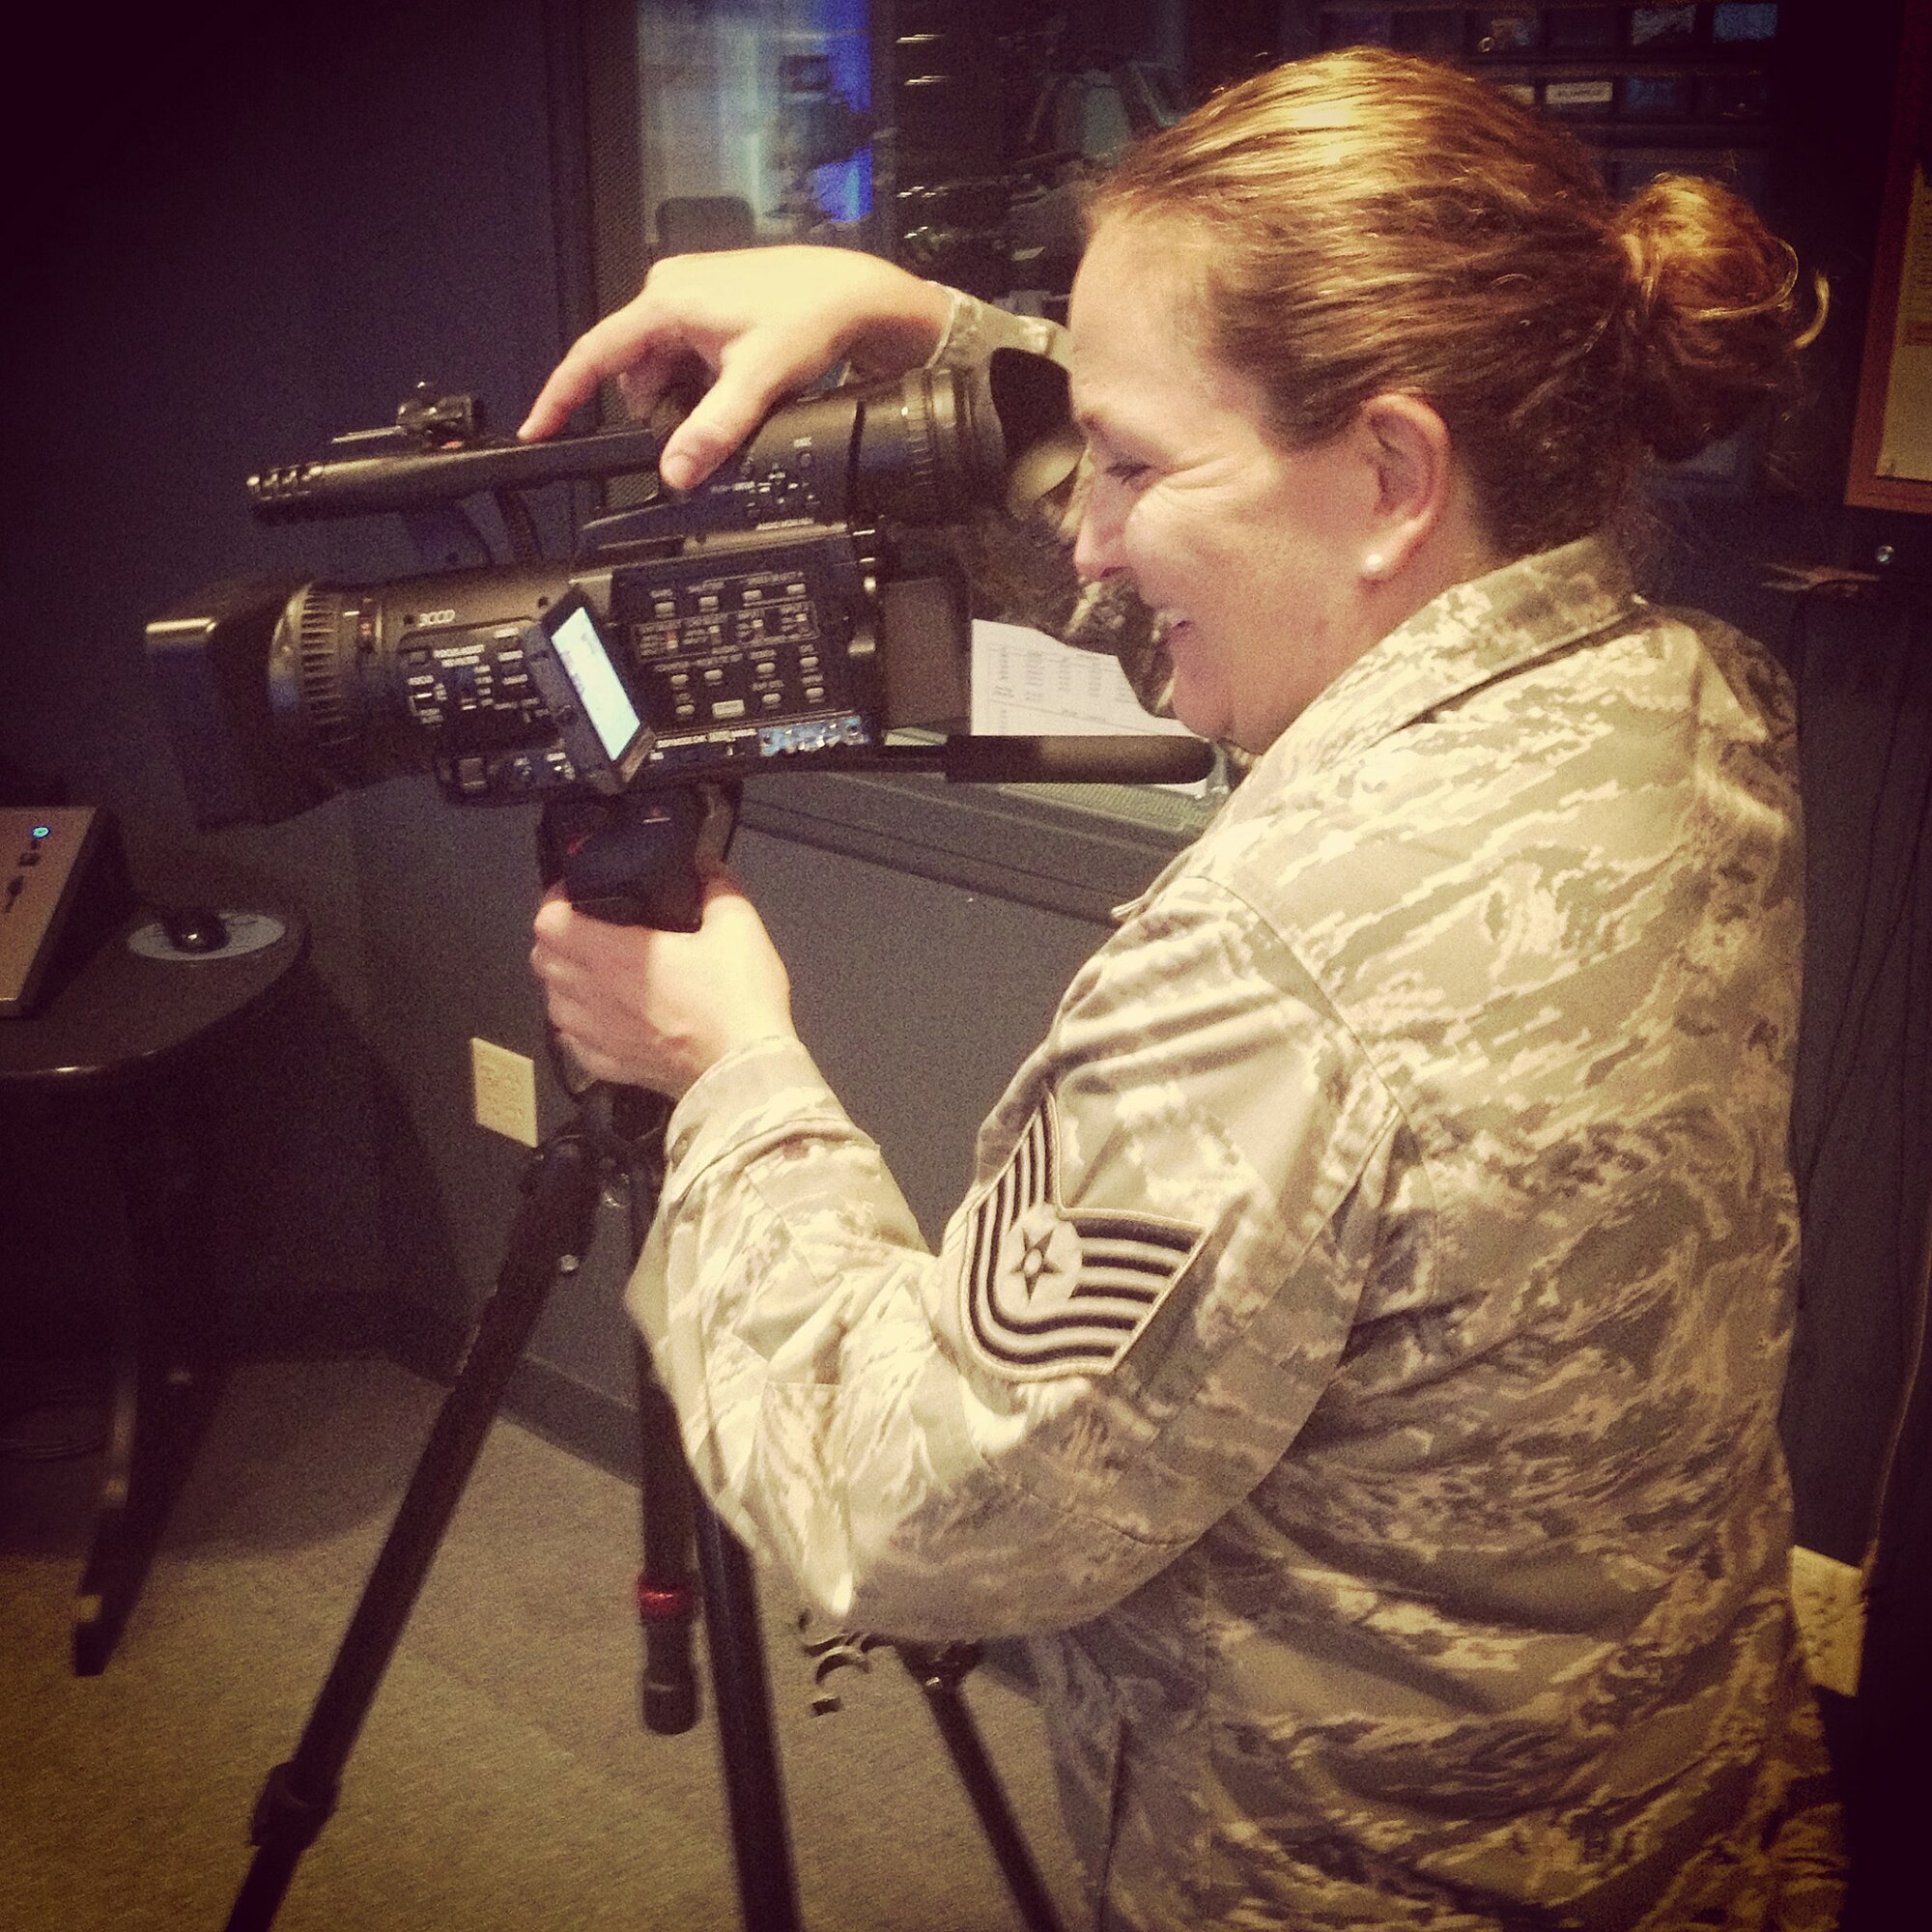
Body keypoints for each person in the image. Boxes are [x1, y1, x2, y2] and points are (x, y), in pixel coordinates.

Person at [526, 46, 1843, 1932]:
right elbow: (1201, 542)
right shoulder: (1680, 699)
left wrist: (722, 1068)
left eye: (1130, 462)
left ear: (1393, 469)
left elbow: (918, 1504)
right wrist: (932, 333)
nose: (1087, 527)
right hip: (1674, 1812)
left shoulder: (1276, 965)